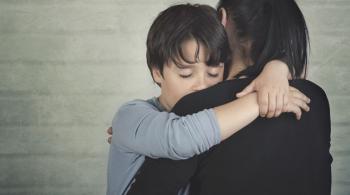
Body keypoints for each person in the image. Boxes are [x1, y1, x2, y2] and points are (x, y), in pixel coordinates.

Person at [121, 0, 332, 195]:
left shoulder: (198, 105)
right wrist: (273, 77)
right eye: (186, 74)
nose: (201, 85)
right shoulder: (316, 99)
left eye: (212, 74)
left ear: (222, 20)